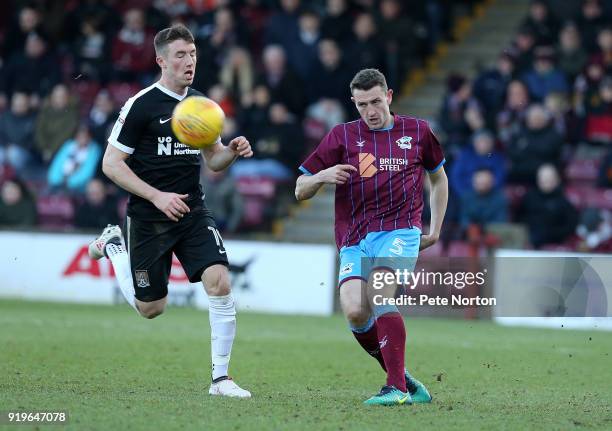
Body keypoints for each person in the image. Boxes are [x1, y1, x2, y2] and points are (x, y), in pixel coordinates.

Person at [87, 24, 252, 398]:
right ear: (161, 60)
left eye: (192, 54)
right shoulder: (141, 104)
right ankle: (115, 246)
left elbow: (214, 161)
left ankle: (221, 379)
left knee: (220, 282)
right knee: (151, 308)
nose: (189, 61)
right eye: (180, 55)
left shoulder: (200, 106)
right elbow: (111, 164)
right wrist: (158, 196)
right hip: (149, 217)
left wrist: (233, 151)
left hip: (192, 210)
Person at [295, 68, 448, 406]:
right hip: (354, 238)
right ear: (354, 103)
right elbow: (300, 189)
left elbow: (438, 178)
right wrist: (322, 175)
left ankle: (395, 389)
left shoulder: (418, 131)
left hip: (400, 230)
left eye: (376, 102)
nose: (371, 111)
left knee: (379, 293)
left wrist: (435, 229)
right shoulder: (342, 136)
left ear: (389, 96)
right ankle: (402, 378)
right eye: (362, 104)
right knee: (354, 311)